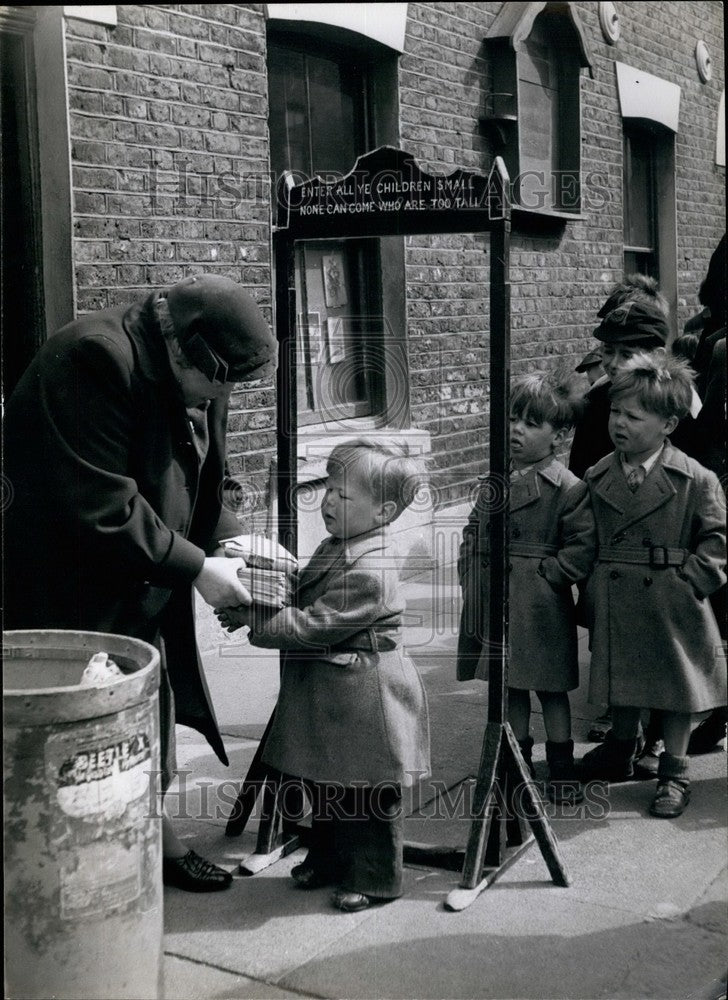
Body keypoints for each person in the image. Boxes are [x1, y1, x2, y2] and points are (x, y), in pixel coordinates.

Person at [4, 273, 278, 891]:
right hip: (68, 585)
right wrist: (197, 568)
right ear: (184, 351)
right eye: (218, 383)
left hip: (140, 573)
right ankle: (76, 871)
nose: (222, 397)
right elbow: (101, 504)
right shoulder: (93, 359)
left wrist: (232, 538)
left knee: (144, 706)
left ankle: (146, 840)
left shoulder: (205, 370)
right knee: (84, 726)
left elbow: (205, 475)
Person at [217, 439, 430, 912]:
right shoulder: (341, 543)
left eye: (343, 495)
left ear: (383, 511)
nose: (329, 501)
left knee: (366, 794)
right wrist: (257, 591)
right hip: (338, 687)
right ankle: (330, 858)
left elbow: (315, 623)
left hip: (366, 693)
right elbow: (306, 589)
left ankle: (375, 878)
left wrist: (254, 620)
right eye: (329, 489)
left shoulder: (371, 566)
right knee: (328, 780)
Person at [579, 354, 726, 817]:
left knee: (678, 689)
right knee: (623, 678)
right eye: (614, 412)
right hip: (618, 594)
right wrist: (588, 581)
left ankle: (674, 771)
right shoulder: (598, 475)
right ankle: (621, 748)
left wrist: (692, 582)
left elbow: (719, 538)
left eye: (633, 416)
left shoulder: (695, 478)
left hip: (672, 599)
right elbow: (583, 535)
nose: (619, 423)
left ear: (669, 424)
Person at [456, 370, 596, 804]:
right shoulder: (496, 480)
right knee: (510, 685)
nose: (517, 430)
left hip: (540, 607)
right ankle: (518, 767)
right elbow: (473, 527)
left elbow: (582, 546)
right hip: (498, 600)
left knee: (551, 688)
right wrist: (469, 567)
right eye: (513, 419)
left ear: (559, 436)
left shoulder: (568, 488)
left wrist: (550, 574)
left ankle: (562, 769)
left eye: (532, 423)